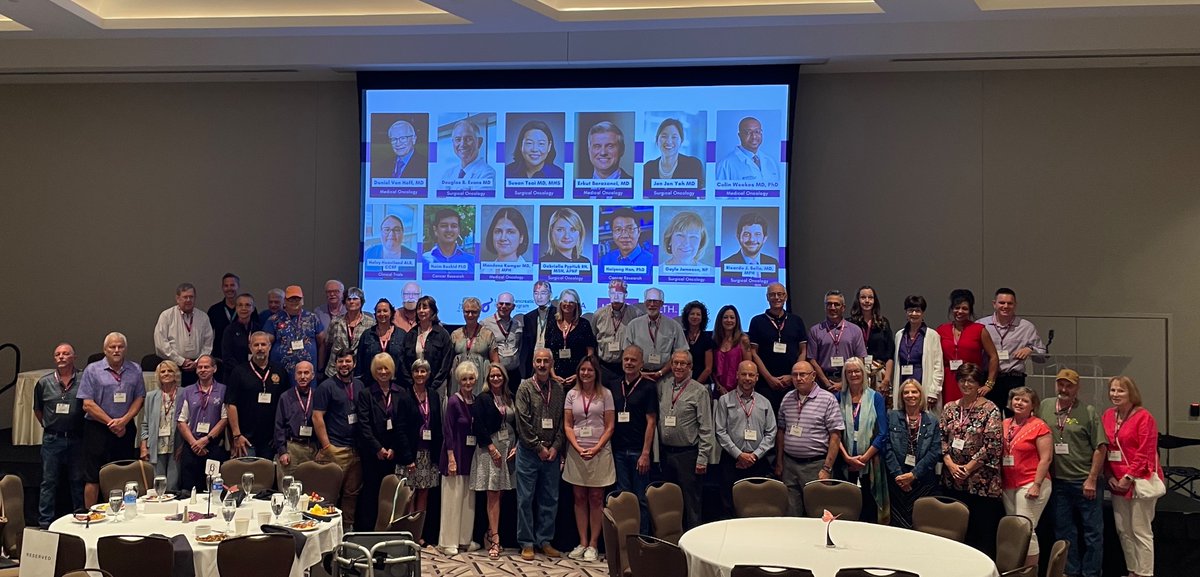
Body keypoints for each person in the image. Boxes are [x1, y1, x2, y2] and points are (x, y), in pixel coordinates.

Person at [1037, 368, 1107, 577]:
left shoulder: (1089, 411)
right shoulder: (1045, 406)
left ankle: (1092, 573)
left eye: (1069, 385)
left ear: (1077, 387)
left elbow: (1100, 447)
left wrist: (1092, 479)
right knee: (1064, 532)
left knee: (1093, 533)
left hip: (1084, 481)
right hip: (1058, 481)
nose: (1064, 389)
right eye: (1061, 384)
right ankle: (1070, 571)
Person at [939, 362, 1004, 556]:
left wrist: (967, 468)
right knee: (956, 533)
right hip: (953, 482)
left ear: (979, 384)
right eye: (962, 380)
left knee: (981, 534)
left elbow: (993, 445)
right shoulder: (950, 408)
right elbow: (941, 439)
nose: (966, 384)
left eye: (971, 381)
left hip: (981, 483)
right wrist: (951, 465)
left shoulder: (990, 409)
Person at [1103, 376, 1164, 577]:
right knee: (1123, 529)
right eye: (1112, 390)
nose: (1115, 394)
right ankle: (1132, 571)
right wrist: (1110, 475)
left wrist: (1128, 477)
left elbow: (1145, 451)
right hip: (1116, 481)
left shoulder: (1144, 417)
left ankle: (1145, 573)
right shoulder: (1108, 416)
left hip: (1139, 480)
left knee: (1140, 530)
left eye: (1120, 390)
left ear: (1131, 393)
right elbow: (1106, 448)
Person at [78, 332, 145, 507]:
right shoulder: (92, 370)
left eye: (120, 347)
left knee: (123, 474)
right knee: (93, 476)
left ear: (125, 349)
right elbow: (87, 404)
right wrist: (111, 422)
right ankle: (90, 515)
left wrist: (124, 421)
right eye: (112, 347)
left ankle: (124, 512)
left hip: (125, 428)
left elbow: (139, 398)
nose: (116, 350)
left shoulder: (135, 369)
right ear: (105, 349)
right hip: (97, 429)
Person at [355, 353, 419, 532]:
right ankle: (368, 532)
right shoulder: (366, 394)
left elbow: (406, 425)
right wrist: (378, 448)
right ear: (374, 372)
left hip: (394, 454)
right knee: (371, 494)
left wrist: (393, 449)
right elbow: (364, 426)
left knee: (391, 496)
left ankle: (388, 531)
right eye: (379, 369)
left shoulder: (402, 393)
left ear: (392, 370)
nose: (383, 372)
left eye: (386, 368)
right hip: (372, 454)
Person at [514, 348, 566, 561]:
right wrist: (539, 447)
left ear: (551, 363)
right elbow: (522, 422)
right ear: (533, 363)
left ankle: (544, 540)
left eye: (546, 361)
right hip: (529, 452)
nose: (542, 365)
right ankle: (526, 542)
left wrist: (555, 447)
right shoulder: (525, 387)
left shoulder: (559, 389)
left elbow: (564, 422)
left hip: (551, 454)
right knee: (525, 499)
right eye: (538, 361)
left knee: (550, 499)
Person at [563, 356, 615, 562]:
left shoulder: (606, 394)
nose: (585, 373)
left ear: (596, 373)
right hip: (577, 452)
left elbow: (610, 426)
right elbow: (568, 424)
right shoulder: (571, 395)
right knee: (579, 497)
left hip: (599, 451)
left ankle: (594, 543)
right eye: (582, 370)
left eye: (590, 370)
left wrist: (596, 447)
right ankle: (582, 541)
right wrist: (576, 446)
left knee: (596, 498)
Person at [774, 360, 843, 517]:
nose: (798, 378)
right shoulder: (787, 398)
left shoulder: (828, 399)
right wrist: (779, 462)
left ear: (813, 376)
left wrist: (827, 468)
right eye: (795, 375)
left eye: (802, 374)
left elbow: (835, 436)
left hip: (816, 466)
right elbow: (781, 431)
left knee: (818, 514)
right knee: (791, 514)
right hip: (790, 465)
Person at [657, 350, 713, 529]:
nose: (679, 367)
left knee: (691, 503)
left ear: (690, 367)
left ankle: (693, 543)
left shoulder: (699, 391)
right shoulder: (664, 386)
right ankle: (671, 540)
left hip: (689, 455)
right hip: (667, 453)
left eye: (683, 364)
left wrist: (702, 458)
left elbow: (706, 427)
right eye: (675, 363)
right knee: (669, 502)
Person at [714, 360, 777, 518]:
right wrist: (739, 455)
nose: (747, 378)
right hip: (731, 460)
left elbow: (771, 432)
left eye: (751, 375)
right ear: (737, 375)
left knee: (756, 505)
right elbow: (720, 431)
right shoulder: (725, 401)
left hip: (758, 462)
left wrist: (754, 455)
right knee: (728, 505)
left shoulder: (765, 403)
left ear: (757, 377)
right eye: (744, 374)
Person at [1001, 386, 1053, 568]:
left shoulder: (1039, 426)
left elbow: (1046, 458)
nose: (1019, 403)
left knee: (1026, 529)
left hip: (1031, 482)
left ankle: (1030, 572)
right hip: (1008, 484)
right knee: (1015, 530)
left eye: (1024, 400)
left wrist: (1036, 484)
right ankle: (1017, 569)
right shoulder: (1004, 424)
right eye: (1016, 399)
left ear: (1033, 406)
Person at [33, 343, 84, 527]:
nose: (61, 357)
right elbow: (38, 410)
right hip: (52, 439)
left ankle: (79, 518)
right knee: (49, 482)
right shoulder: (44, 382)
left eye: (65, 354)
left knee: (77, 481)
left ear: (74, 357)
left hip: (77, 438)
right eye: (57, 354)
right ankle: (45, 522)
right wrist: (50, 426)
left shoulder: (83, 379)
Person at [471, 363, 518, 560]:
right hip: (490, 448)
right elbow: (478, 425)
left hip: (510, 448)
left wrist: (518, 446)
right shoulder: (482, 399)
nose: (496, 379)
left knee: (501, 493)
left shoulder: (510, 397)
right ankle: (495, 538)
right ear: (487, 379)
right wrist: (491, 448)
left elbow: (517, 423)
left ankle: (491, 532)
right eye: (492, 376)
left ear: (504, 378)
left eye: (499, 375)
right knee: (492, 493)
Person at [313, 352, 365, 528]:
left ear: (354, 364)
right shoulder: (326, 386)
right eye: (340, 361)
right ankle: (326, 530)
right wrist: (327, 446)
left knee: (352, 494)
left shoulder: (359, 385)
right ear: (335, 364)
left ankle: (347, 532)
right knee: (330, 495)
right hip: (335, 448)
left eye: (348, 361)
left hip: (356, 450)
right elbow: (317, 417)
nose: (344, 364)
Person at [608, 345, 657, 534]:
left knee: (640, 499)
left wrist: (645, 453)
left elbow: (651, 422)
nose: (629, 363)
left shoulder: (648, 387)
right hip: (618, 450)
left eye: (633, 360)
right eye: (626, 359)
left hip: (639, 452)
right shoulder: (614, 385)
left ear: (641, 364)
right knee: (622, 498)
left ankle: (641, 540)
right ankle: (623, 540)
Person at [836, 357, 890, 524]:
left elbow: (883, 432)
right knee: (845, 509)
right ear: (845, 375)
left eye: (857, 370)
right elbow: (833, 432)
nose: (853, 374)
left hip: (870, 465)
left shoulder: (876, 398)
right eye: (849, 371)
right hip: (844, 464)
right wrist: (847, 457)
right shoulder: (838, 397)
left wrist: (864, 458)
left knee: (868, 510)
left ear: (864, 373)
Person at [884, 379, 942, 529]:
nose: (910, 395)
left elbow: (935, 452)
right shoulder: (892, 416)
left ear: (920, 395)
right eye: (906, 392)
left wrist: (913, 475)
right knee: (896, 528)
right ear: (901, 396)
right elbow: (886, 447)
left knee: (921, 526)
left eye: (914, 391)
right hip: (896, 482)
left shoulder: (932, 420)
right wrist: (899, 475)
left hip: (922, 482)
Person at [980, 288, 1047, 413]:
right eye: (1002, 303)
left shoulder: (1026, 326)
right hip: (989, 380)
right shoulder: (981, 325)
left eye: (1010, 303)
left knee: (1015, 418)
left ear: (1015, 305)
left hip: (1014, 380)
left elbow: (1043, 355)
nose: (1006, 306)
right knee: (990, 418)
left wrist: (1030, 349)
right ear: (994, 304)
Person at [226, 332, 287, 459]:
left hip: (271, 441)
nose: (260, 348)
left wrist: (281, 436)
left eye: (263, 344)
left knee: (268, 477)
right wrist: (237, 435)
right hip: (246, 439)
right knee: (247, 476)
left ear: (269, 346)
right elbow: (231, 404)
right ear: (250, 347)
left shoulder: (280, 371)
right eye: (256, 345)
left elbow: (286, 405)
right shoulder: (239, 371)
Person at [748, 282, 808, 410]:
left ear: (785, 297)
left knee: (791, 420)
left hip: (792, 383)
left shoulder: (796, 321)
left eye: (780, 294)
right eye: (772, 295)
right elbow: (754, 353)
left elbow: (803, 351)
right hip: (766, 384)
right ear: (767, 297)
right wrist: (769, 378)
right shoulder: (757, 321)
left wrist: (793, 376)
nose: (776, 298)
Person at [175, 355, 229, 492]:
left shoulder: (223, 390)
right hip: (191, 446)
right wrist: (194, 443)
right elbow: (181, 420)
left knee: (213, 489)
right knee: (190, 490)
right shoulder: (187, 391)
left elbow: (224, 418)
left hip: (213, 446)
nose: (203, 370)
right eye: (200, 367)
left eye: (206, 367)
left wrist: (206, 439)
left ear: (214, 369)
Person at [936, 289, 1000, 405]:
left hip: (972, 381)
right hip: (948, 382)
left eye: (964, 308)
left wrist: (989, 383)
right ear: (951, 309)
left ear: (970, 310)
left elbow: (994, 356)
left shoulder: (979, 329)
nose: (960, 311)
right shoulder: (941, 330)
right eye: (957, 308)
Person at [405, 359, 444, 537]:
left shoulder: (434, 395)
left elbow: (438, 425)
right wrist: (407, 457)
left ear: (428, 375)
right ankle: (407, 532)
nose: (420, 375)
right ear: (412, 374)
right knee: (409, 494)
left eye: (423, 371)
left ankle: (418, 533)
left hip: (429, 452)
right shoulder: (405, 395)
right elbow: (400, 428)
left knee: (424, 493)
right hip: (411, 454)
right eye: (417, 371)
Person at [154, 282, 214, 385]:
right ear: (178, 298)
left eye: (191, 297)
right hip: (173, 366)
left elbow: (208, 344)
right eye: (185, 297)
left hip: (198, 367)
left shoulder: (203, 317)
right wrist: (181, 361)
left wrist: (197, 362)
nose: (188, 300)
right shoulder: (166, 316)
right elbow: (161, 344)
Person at [808, 290, 867, 392]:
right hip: (823, 384)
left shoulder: (855, 330)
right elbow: (812, 360)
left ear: (843, 307)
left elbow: (860, 359)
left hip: (850, 382)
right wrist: (826, 383)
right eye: (829, 304)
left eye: (836, 304)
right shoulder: (815, 331)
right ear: (825, 307)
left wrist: (844, 383)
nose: (832, 308)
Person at [892, 295, 944, 410]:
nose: (914, 314)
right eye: (910, 310)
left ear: (923, 313)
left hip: (924, 385)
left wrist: (934, 391)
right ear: (906, 312)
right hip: (903, 385)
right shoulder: (899, 335)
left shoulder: (932, 335)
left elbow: (938, 366)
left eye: (917, 310)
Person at [622, 288, 687, 379]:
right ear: (645, 303)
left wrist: (661, 372)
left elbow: (681, 353)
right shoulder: (633, 325)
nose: (652, 304)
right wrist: (639, 373)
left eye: (655, 301)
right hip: (638, 376)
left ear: (661, 303)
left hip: (665, 376)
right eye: (649, 301)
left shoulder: (674, 326)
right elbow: (627, 352)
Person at [139, 360, 183, 494]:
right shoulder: (151, 396)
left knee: (172, 484)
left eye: (170, 371)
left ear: (176, 374)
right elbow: (145, 423)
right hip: (156, 445)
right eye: (163, 371)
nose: (166, 374)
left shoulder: (184, 393)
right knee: (158, 484)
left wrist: (183, 445)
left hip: (177, 444)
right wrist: (143, 446)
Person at [265, 285, 325, 377]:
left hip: (307, 372)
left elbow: (322, 343)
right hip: (281, 371)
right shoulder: (274, 319)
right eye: (291, 299)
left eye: (297, 299)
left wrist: (320, 368)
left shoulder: (313, 318)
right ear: (285, 301)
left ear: (303, 300)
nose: (294, 302)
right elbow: (265, 343)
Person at [399, 295, 454, 392]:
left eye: (425, 307)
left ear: (432, 311)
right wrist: (411, 382)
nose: (421, 311)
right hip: (413, 387)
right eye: (419, 308)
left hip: (436, 387)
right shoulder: (411, 334)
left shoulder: (442, 334)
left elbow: (446, 363)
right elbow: (403, 361)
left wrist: (434, 385)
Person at [274, 361, 319, 479]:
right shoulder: (285, 397)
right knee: (288, 488)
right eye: (299, 373)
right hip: (292, 448)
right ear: (294, 376)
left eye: (306, 373)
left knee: (310, 488)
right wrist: (282, 451)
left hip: (312, 448)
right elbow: (279, 426)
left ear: (312, 375)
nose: (303, 376)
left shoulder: (318, 395)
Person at [592, 279, 644, 380]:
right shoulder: (598, 314)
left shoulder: (636, 315)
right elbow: (593, 340)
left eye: (619, 294)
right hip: (603, 367)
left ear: (626, 295)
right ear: (608, 294)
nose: (616, 297)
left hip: (625, 368)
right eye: (612, 293)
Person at [449, 296, 500, 395]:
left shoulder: (487, 334)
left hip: (481, 378)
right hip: (459, 379)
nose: (470, 315)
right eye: (467, 312)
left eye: (474, 312)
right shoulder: (455, 334)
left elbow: (495, 361)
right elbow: (449, 361)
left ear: (480, 313)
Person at [849, 286, 895, 396]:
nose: (867, 301)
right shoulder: (850, 324)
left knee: (879, 407)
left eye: (870, 297)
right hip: (857, 373)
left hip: (879, 374)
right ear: (858, 300)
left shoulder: (883, 323)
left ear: (875, 301)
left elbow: (890, 354)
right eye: (863, 297)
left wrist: (887, 378)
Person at [544, 289, 596, 383]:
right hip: (555, 377)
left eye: (571, 302)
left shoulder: (584, 324)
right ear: (560, 303)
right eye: (565, 301)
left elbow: (590, 353)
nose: (567, 304)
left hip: (579, 376)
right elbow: (548, 352)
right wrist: (553, 375)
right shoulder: (551, 324)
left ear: (576, 305)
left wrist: (579, 374)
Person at [324, 287, 376, 378]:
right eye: (349, 299)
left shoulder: (371, 323)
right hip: (334, 371)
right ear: (344, 302)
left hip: (358, 372)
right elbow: (328, 344)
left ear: (361, 302)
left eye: (355, 299)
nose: (351, 302)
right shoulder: (335, 322)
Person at [208, 273, 258, 367]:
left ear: (238, 286)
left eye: (232, 285)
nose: (229, 288)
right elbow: (208, 336)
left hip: (249, 362)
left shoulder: (250, 311)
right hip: (221, 360)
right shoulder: (214, 310)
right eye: (226, 286)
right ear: (222, 287)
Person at [643, 118, 705, 190]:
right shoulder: (648, 168)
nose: (669, 141)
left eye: (674, 137)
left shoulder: (693, 165)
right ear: (657, 139)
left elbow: (701, 195)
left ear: (681, 141)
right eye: (664, 136)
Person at [715, 116, 780, 182]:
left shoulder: (771, 162)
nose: (754, 136)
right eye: (748, 132)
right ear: (739, 135)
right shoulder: (725, 165)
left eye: (757, 131)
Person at [482, 292, 523, 388]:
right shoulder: (485, 324)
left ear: (513, 307)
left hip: (514, 372)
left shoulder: (518, 325)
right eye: (501, 303)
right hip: (496, 374)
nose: (504, 306)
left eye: (508, 304)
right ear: (496, 305)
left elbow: (519, 346)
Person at [720, 212, 779, 278]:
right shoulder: (723, 266)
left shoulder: (774, 263)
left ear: (764, 238)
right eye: (746, 234)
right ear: (738, 237)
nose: (752, 239)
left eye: (757, 234)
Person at [438, 119, 496, 186]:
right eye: (458, 140)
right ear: (453, 143)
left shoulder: (487, 173)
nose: (462, 144)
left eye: (468, 139)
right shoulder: (448, 174)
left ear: (479, 142)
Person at [358, 299, 405, 380]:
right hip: (370, 383)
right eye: (379, 311)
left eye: (385, 311)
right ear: (375, 314)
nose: (382, 314)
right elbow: (360, 360)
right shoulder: (367, 335)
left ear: (391, 313)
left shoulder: (401, 334)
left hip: (396, 383)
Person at [712, 305, 753, 396]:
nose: (729, 320)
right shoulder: (715, 341)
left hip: (740, 391)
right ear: (720, 320)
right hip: (719, 391)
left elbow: (748, 367)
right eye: (725, 317)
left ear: (736, 320)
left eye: (732, 317)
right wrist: (719, 387)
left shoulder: (743, 340)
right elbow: (713, 370)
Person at [520, 281, 555, 379]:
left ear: (550, 295)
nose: (539, 297)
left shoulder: (558, 314)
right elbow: (526, 348)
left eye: (543, 293)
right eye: (536, 293)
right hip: (534, 362)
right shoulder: (528, 317)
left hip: (552, 362)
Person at [220, 293, 258, 375]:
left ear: (253, 308)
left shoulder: (258, 329)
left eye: (247, 305)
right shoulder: (229, 330)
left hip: (256, 373)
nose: (243, 308)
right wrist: (243, 371)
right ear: (236, 308)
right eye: (240, 305)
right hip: (234, 374)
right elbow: (227, 357)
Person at [681, 301, 714, 385]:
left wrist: (694, 386)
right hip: (681, 382)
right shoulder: (681, 335)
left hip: (701, 384)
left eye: (698, 314)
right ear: (687, 316)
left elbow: (708, 369)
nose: (695, 317)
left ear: (702, 318)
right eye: (692, 314)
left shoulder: (707, 338)